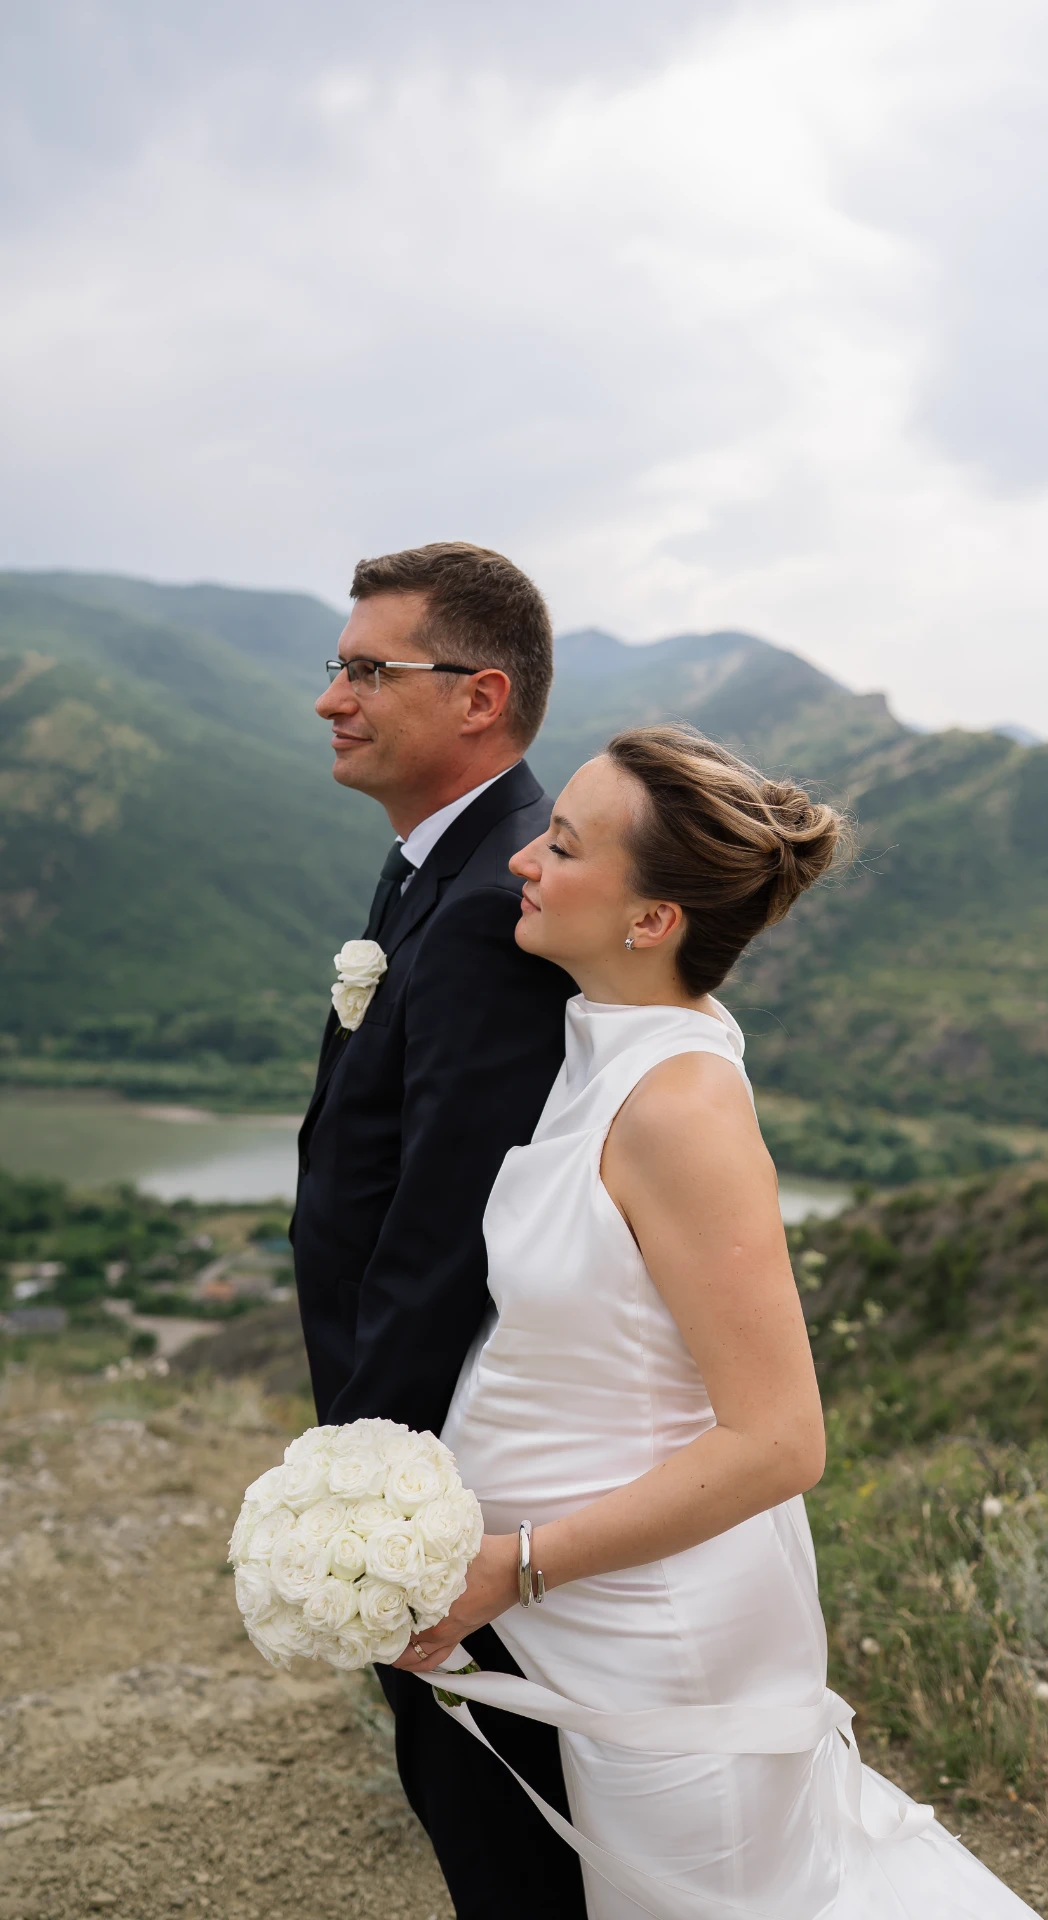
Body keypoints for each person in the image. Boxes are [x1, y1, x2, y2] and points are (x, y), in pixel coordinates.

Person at [394, 725, 1041, 1919]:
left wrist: (514, 1567)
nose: (520, 862)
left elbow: (780, 1441)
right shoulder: (594, 1043)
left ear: (652, 923)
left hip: (661, 1645)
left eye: (564, 846)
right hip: (571, 1626)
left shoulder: (680, 1105)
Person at [290, 542, 586, 1918]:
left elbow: (445, 1234)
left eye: (364, 670)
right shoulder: (431, 872)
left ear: (477, 697)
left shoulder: (485, 909)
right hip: (414, 1439)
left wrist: (357, 1490)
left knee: (500, 1814)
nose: (329, 699)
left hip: (447, 1464)